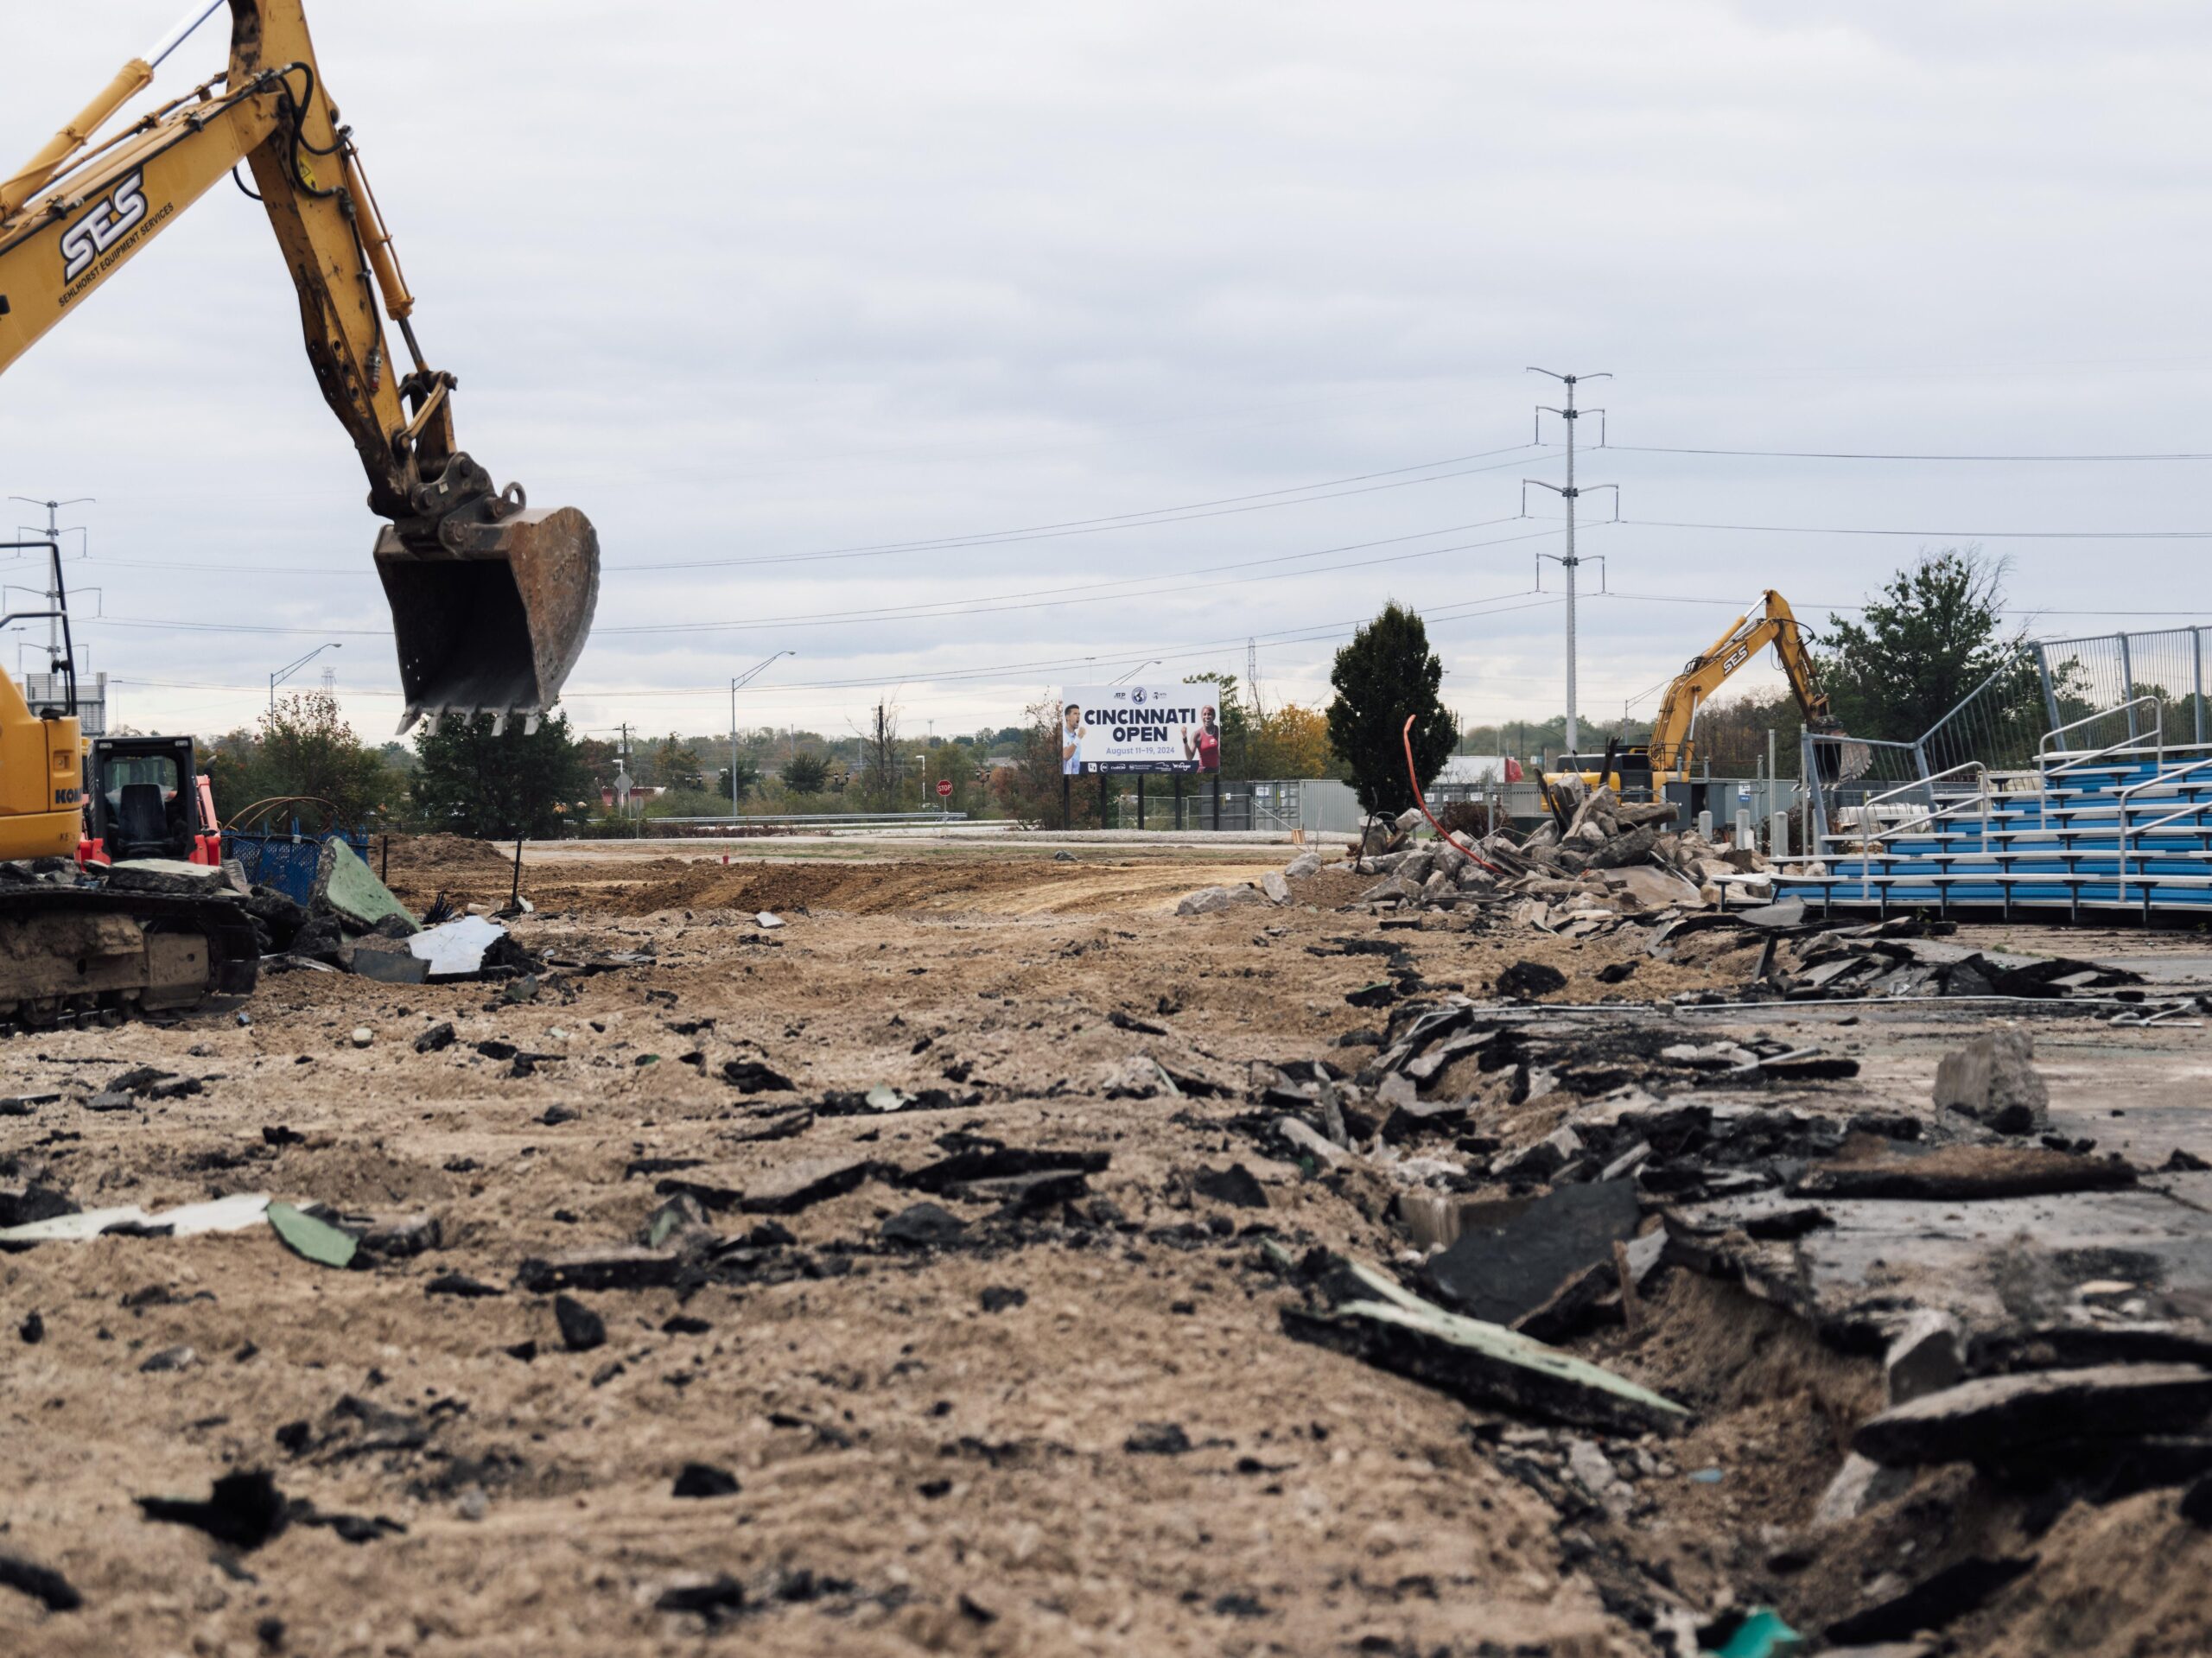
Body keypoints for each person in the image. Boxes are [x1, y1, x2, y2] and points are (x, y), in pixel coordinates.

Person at [1183, 705, 1221, 772]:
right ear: (1201, 717)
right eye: (1204, 714)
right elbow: (1189, 758)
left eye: (1209, 714)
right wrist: (1185, 739)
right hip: (1203, 772)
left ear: (1214, 717)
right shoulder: (1197, 735)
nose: (1206, 717)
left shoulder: (1218, 730)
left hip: (1216, 770)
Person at [1061, 704, 1084, 775]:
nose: (1078, 716)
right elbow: (1066, 755)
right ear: (1067, 717)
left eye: (1079, 714)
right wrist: (1079, 737)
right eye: (1075, 714)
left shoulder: (1075, 737)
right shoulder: (1063, 735)